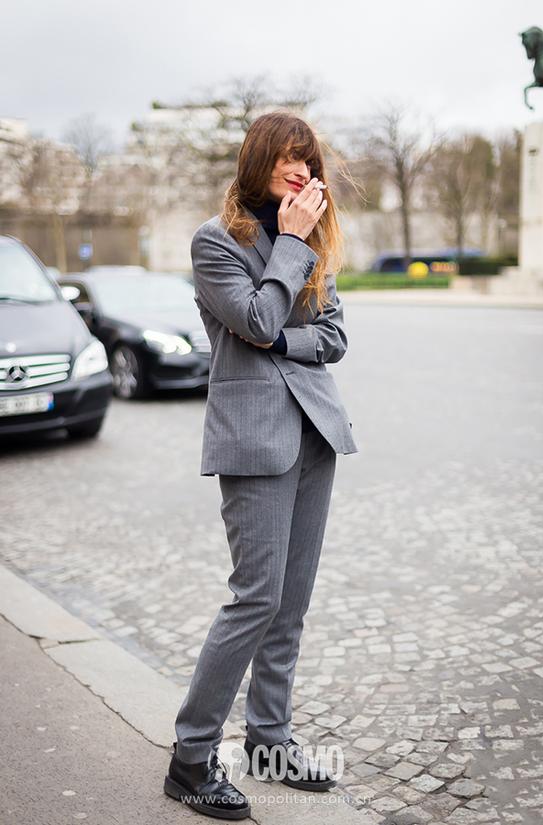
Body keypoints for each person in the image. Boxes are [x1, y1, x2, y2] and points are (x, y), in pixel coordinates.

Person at [164, 111, 359, 820]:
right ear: (260, 161)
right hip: (253, 439)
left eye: (310, 160)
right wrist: (291, 250)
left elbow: (332, 337)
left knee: (292, 602)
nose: (304, 170)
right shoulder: (217, 241)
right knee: (255, 598)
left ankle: (270, 742)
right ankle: (191, 755)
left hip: (314, 432)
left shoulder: (311, 241)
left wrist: (281, 344)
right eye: (289, 157)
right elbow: (257, 319)